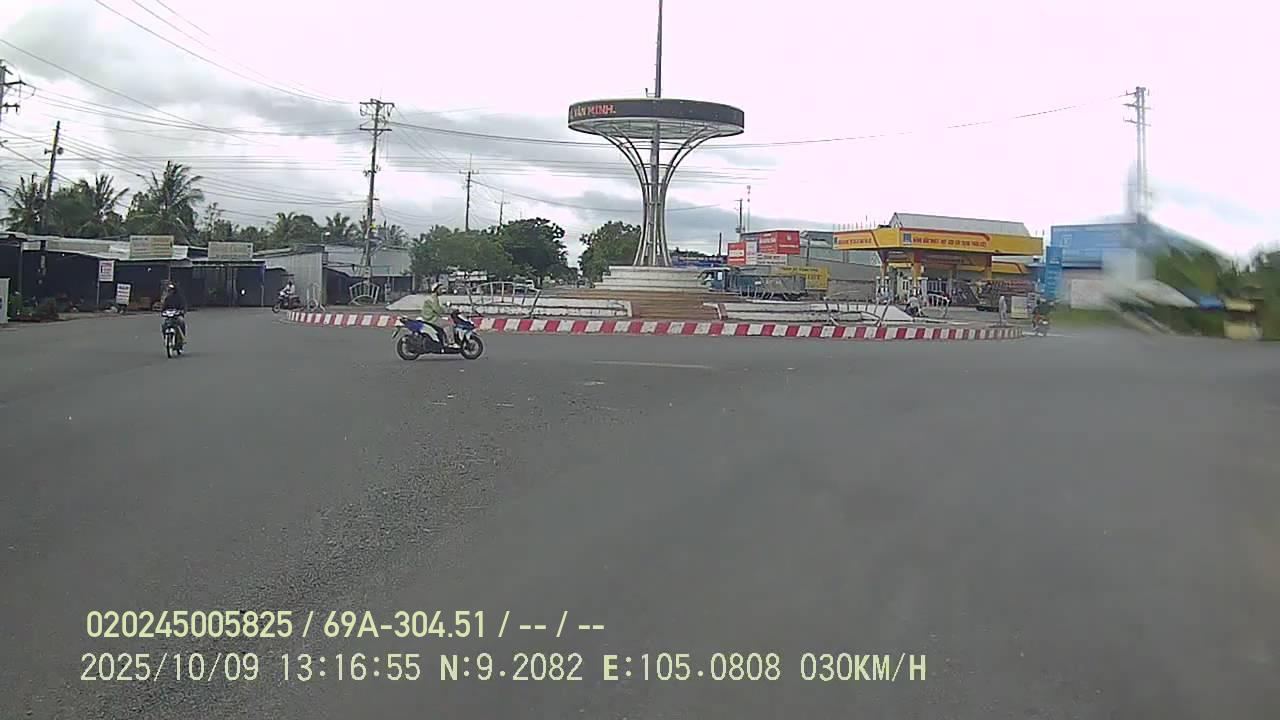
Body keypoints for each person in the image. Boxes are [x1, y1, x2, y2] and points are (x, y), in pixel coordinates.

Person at [420, 283, 455, 347]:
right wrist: (448, 310)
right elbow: (437, 309)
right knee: (449, 324)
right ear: (436, 290)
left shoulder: (432, 297)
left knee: (445, 321)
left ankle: (445, 340)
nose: (442, 291)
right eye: (440, 289)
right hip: (431, 318)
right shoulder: (434, 298)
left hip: (429, 317)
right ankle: (451, 343)